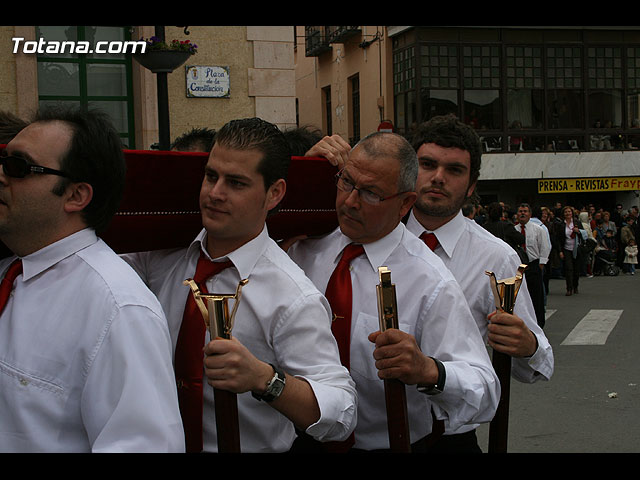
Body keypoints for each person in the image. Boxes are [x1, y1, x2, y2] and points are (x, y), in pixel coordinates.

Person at [122, 117, 356, 453]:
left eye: (236, 183)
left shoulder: (292, 296)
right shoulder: (158, 255)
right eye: (211, 176)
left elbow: (342, 412)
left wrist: (265, 379)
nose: (215, 193)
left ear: (274, 193)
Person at [288, 130, 500, 452]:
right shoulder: (303, 246)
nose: (350, 201)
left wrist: (427, 369)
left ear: (405, 203)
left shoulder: (430, 282)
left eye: (371, 193)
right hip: (302, 439)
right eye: (346, 182)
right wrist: (303, 173)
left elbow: (484, 390)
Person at [0, 106, 184, 452]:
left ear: (75, 195)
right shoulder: (12, 272)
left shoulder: (119, 310)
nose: (1, 174)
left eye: (18, 167)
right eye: (2, 159)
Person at [405, 114, 552, 452]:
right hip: (370, 433)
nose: (438, 178)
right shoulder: (376, 237)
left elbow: (538, 366)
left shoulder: (496, 258)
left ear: (472, 186)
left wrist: (525, 342)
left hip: (448, 436)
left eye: (454, 170)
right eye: (427, 164)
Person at [514, 203, 550, 327]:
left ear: (530, 214)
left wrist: (541, 263)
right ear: (517, 214)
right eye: (520, 211)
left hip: (534, 265)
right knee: (521, 296)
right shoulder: (514, 230)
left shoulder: (537, 229)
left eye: (525, 211)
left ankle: (539, 323)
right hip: (519, 267)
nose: (522, 213)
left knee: (536, 295)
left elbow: (545, 246)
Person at [552, 206, 585, 296]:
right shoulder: (561, 224)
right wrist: (560, 251)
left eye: (569, 212)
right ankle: (569, 288)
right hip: (566, 248)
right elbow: (558, 239)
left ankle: (575, 286)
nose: (568, 213)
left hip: (576, 248)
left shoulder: (577, 222)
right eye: (566, 212)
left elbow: (584, 234)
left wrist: (578, 231)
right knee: (568, 269)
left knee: (576, 269)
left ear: (572, 213)